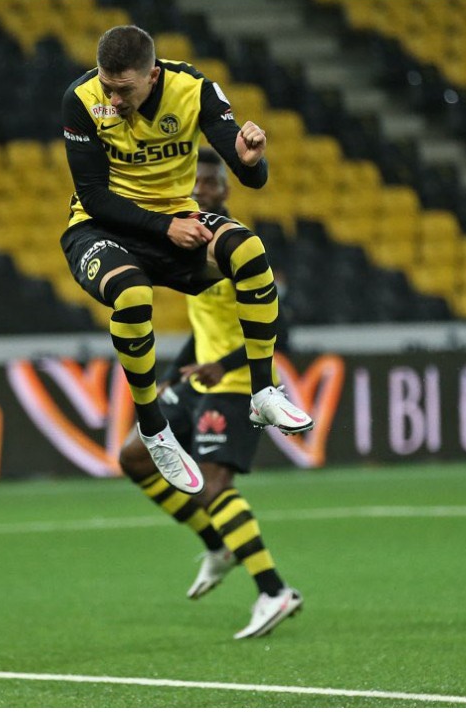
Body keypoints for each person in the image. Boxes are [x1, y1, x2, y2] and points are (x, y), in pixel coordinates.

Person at [60, 25, 313, 497]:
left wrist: (252, 159)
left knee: (250, 250)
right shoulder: (81, 99)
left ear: (152, 76)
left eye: (124, 90)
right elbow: (93, 196)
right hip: (99, 230)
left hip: (175, 225)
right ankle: (156, 431)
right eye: (107, 87)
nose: (113, 100)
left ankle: (263, 393)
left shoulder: (193, 89)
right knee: (132, 293)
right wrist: (164, 226)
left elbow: (248, 176)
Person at [119, 148, 301, 639]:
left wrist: (221, 366)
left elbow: (280, 327)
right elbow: (208, 327)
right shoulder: (187, 245)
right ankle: (217, 546)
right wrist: (178, 373)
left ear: (223, 189)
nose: (205, 188)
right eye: (196, 182)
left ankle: (273, 590)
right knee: (136, 456)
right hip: (201, 379)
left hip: (238, 384)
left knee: (216, 485)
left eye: (212, 182)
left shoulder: (239, 249)